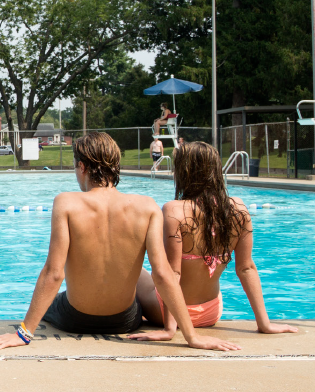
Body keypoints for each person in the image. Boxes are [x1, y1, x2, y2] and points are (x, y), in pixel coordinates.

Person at [0, 132, 239, 351]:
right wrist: (191, 336)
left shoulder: (66, 203)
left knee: (54, 297)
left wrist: (23, 334)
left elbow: (53, 273)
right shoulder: (147, 207)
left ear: (82, 167)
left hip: (75, 319)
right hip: (125, 321)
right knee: (139, 277)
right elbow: (164, 274)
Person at [128, 142, 298, 340]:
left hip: (168, 312)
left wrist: (169, 329)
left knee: (133, 267)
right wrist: (264, 324)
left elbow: (174, 274)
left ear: (184, 172)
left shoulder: (174, 210)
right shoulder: (239, 209)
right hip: (211, 312)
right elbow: (246, 268)